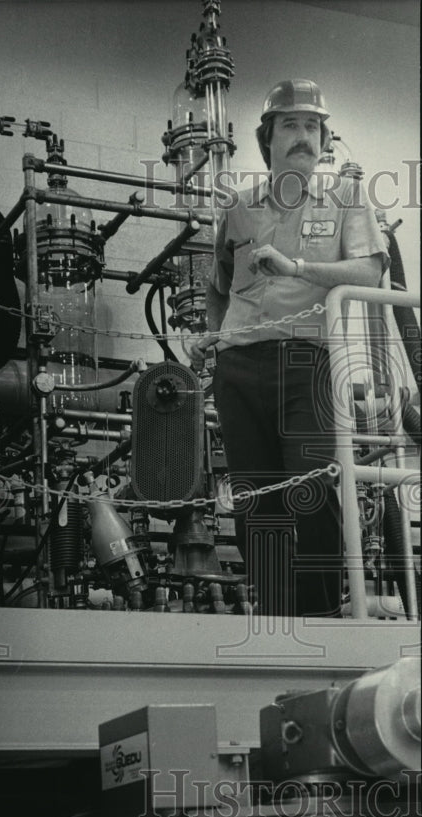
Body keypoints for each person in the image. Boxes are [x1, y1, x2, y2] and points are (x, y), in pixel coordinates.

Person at [188, 79, 389, 618]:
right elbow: (217, 283)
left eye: (313, 126)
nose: (304, 136)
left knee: (314, 492)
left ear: (324, 138)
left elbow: (370, 269)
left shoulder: (347, 199)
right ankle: (276, 620)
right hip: (239, 366)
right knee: (255, 503)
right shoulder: (239, 208)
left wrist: (299, 267)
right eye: (290, 125)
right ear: (267, 138)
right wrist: (212, 336)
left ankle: (321, 620)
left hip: (309, 360)